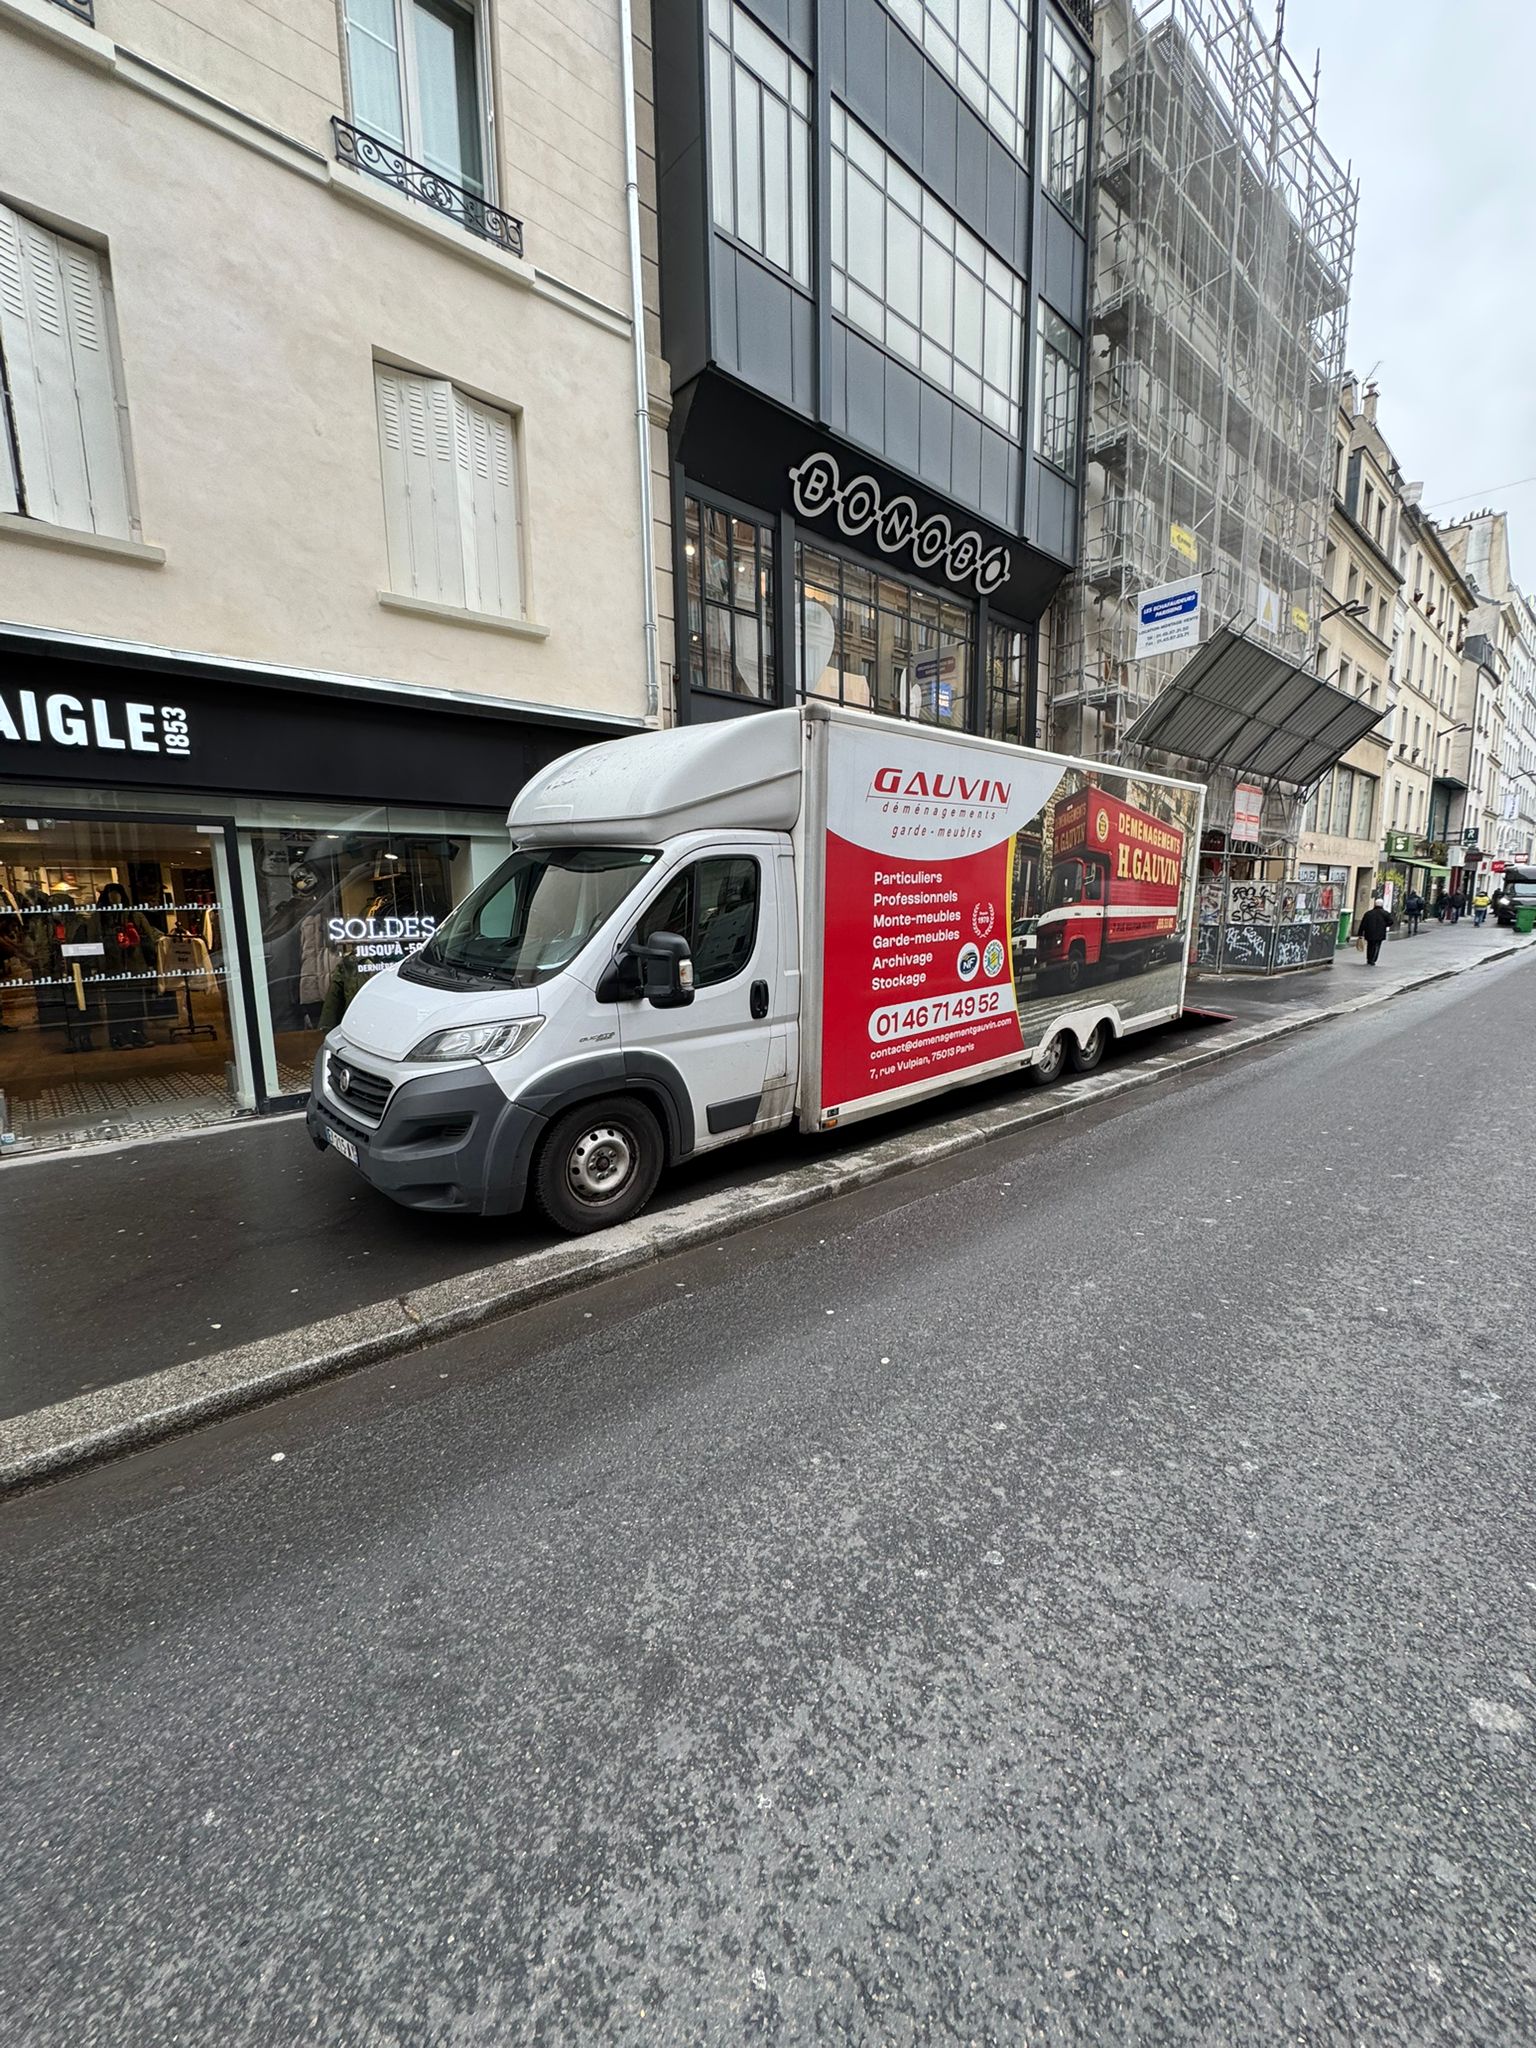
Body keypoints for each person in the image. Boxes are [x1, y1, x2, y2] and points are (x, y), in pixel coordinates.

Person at [1357, 896, 1391, 967]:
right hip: (1380, 933)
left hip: (1369, 932)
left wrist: (1360, 933)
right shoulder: (1385, 913)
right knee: (1377, 946)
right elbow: (1390, 922)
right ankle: (1373, 959)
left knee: (1370, 945)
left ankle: (1369, 959)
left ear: (1375, 904)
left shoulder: (1368, 913)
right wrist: (1384, 925)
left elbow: (1363, 924)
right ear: (1382, 905)